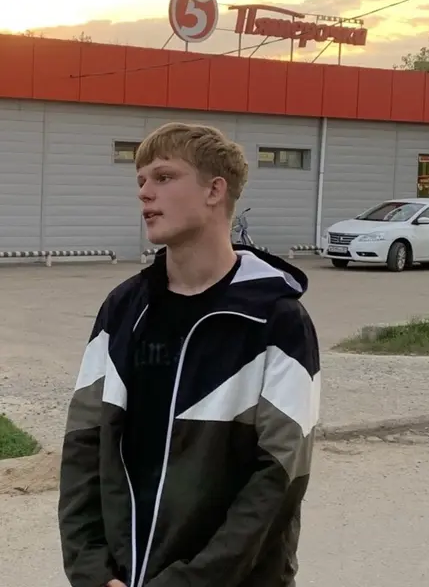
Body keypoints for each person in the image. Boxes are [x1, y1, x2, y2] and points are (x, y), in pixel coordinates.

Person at [58, 122, 321, 587]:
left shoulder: (278, 321)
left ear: (214, 190)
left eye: (163, 177)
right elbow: (83, 445)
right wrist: (92, 570)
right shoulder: (124, 309)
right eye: (141, 180)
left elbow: (278, 481)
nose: (144, 192)